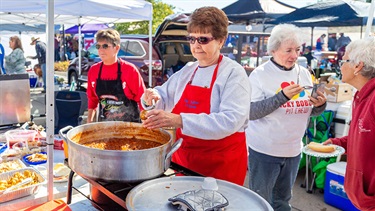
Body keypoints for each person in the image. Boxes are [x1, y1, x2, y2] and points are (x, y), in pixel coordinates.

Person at [141, 7, 250, 186]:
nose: (196, 45)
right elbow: (164, 96)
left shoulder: (233, 73)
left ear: (221, 41)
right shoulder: (189, 70)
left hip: (221, 165)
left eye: (203, 39)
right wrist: (152, 97)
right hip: (186, 160)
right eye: (192, 38)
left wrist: (179, 120)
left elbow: (231, 120)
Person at [245, 24, 327, 211]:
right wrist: (282, 97)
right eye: (288, 50)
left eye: (297, 50)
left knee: (283, 201)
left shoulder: (304, 73)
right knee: (259, 202)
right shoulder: (260, 75)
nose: (294, 55)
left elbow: (306, 110)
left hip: (293, 150)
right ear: (273, 50)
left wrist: (320, 105)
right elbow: (251, 112)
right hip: (265, 151)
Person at [322, 37, 375, 211]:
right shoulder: (361, 95)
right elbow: (364, 136)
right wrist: (339, 143)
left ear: (358, 66)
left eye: (343, 61)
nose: (340, 66)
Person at [86, 29, 146, 123]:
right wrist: (89, 121)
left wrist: (146, 122)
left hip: (130, 126)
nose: (101, 50)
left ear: (117, 48)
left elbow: (142, 98)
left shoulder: (129, 70)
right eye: (98, 46)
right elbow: (92, 99)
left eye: (105, 46)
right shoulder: (94, 70)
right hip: (105, 126)